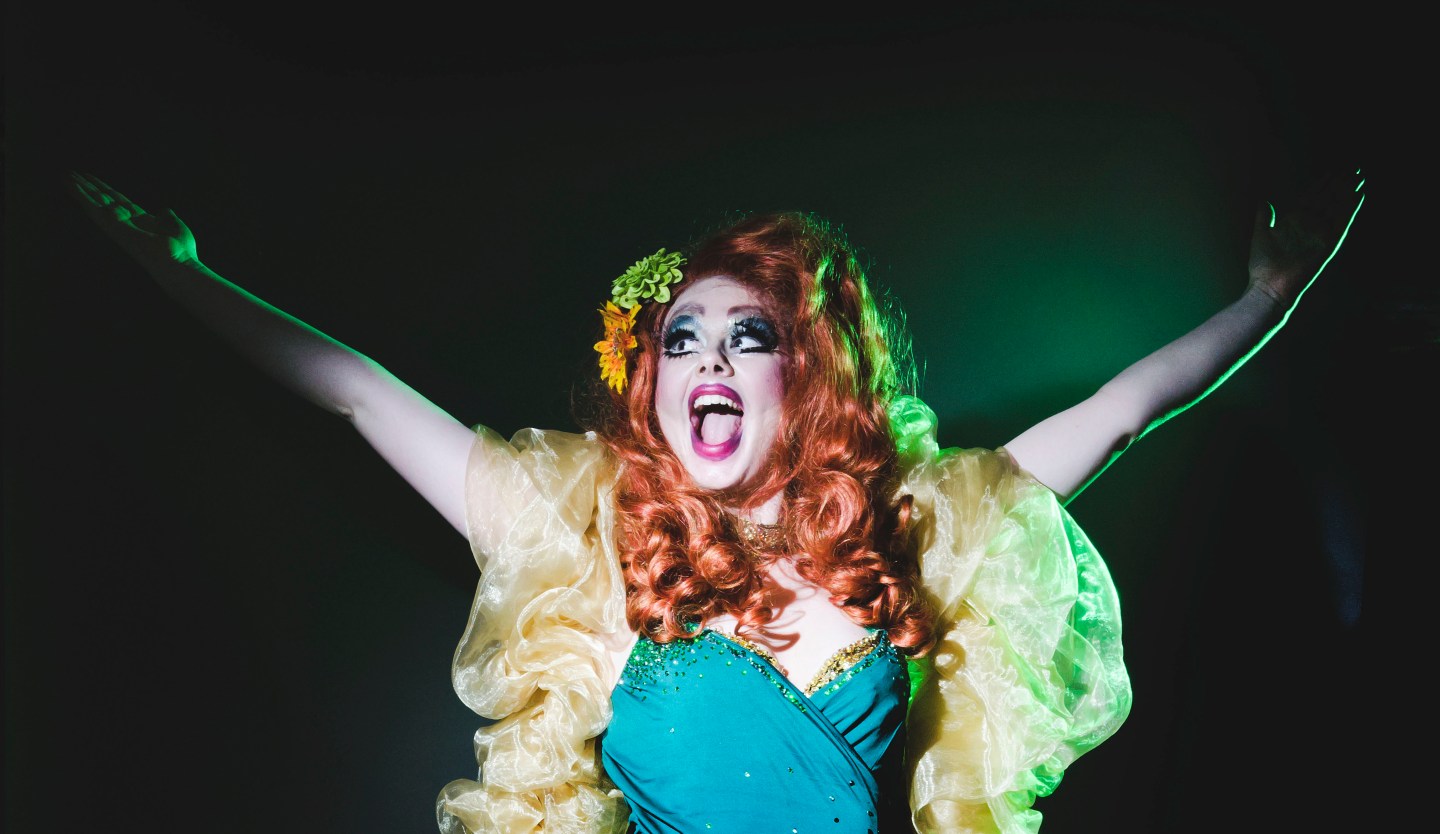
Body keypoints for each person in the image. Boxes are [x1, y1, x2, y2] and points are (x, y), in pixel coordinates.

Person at [69, 168, 1365, 834]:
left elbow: (1122, 412)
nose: (707, 360)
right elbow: (355, 396)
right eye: (681, 338)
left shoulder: (912, 533)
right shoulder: (589, 546)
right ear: (654, 382)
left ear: (810, 377)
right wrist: (180, 270)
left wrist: (1270, 297)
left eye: (749, 338)